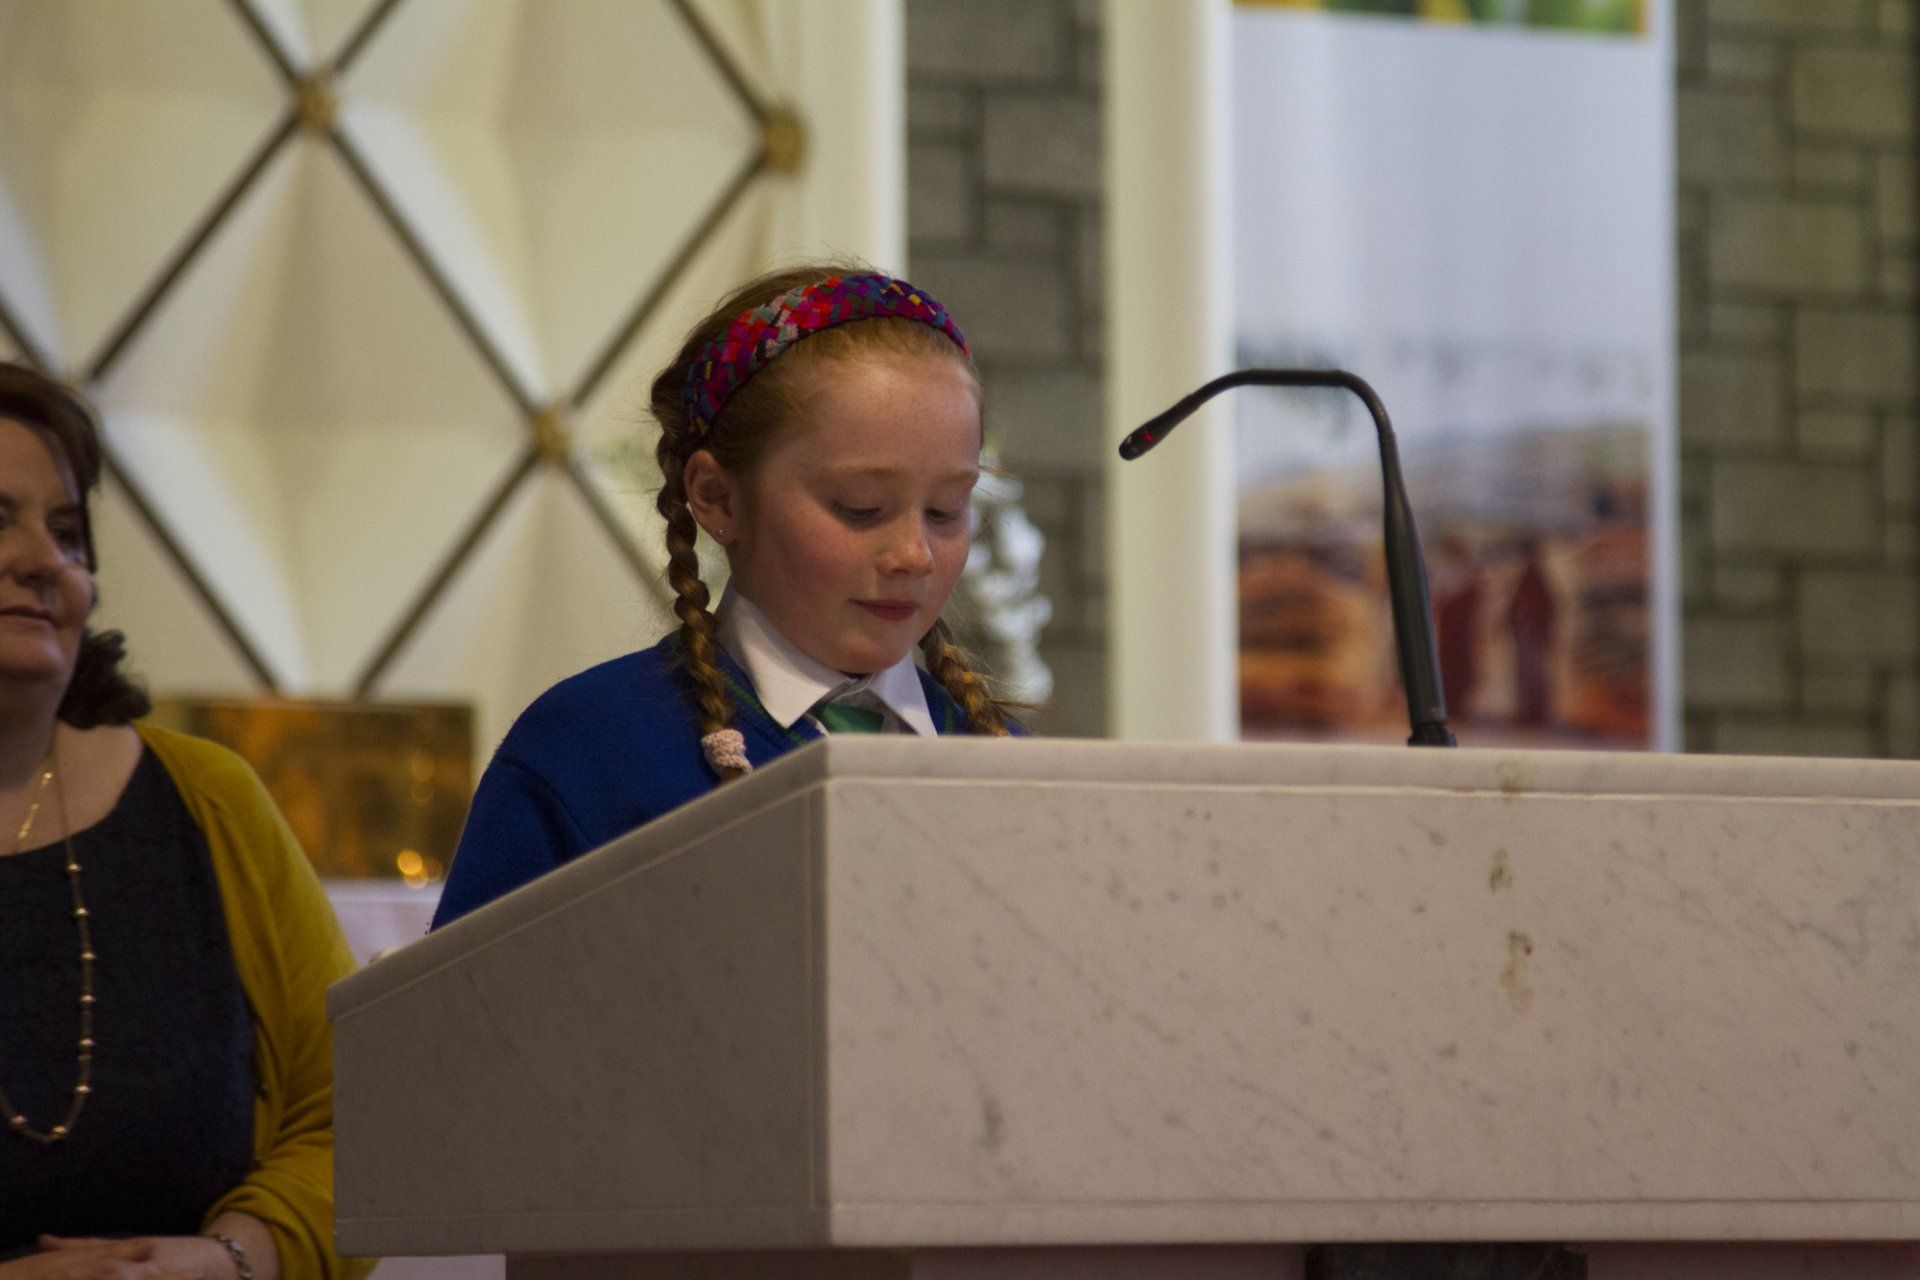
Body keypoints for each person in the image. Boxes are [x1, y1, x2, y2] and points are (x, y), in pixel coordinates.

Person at [432, 266, 1019, 928]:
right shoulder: (591, 752)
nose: (914, 554)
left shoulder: (1004, 763)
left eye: (947, 510)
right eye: (861, 508)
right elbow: (466, 1026)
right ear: (716, 498)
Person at [0, 363, 367, 1280]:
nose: (45, 560)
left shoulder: (209, 800)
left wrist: (230, 1260)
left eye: (69, 531)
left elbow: (356, 1115)